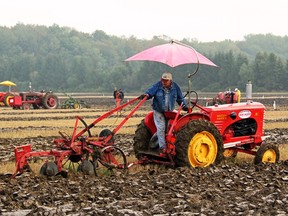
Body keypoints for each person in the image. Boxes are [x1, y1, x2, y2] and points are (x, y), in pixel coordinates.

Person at [139, 72, 188, 155]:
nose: (164, 82)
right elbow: (150, 92)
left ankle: (156, 144)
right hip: (158, 110)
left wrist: (185, 107)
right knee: (161, 128)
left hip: (169, 111)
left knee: (167, 129)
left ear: (170, 81)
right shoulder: (158, 85)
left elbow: (180, 99)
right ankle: (162, 148)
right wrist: (146, 95)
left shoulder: (175, 87)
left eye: (166, 81)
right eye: (163, 80)